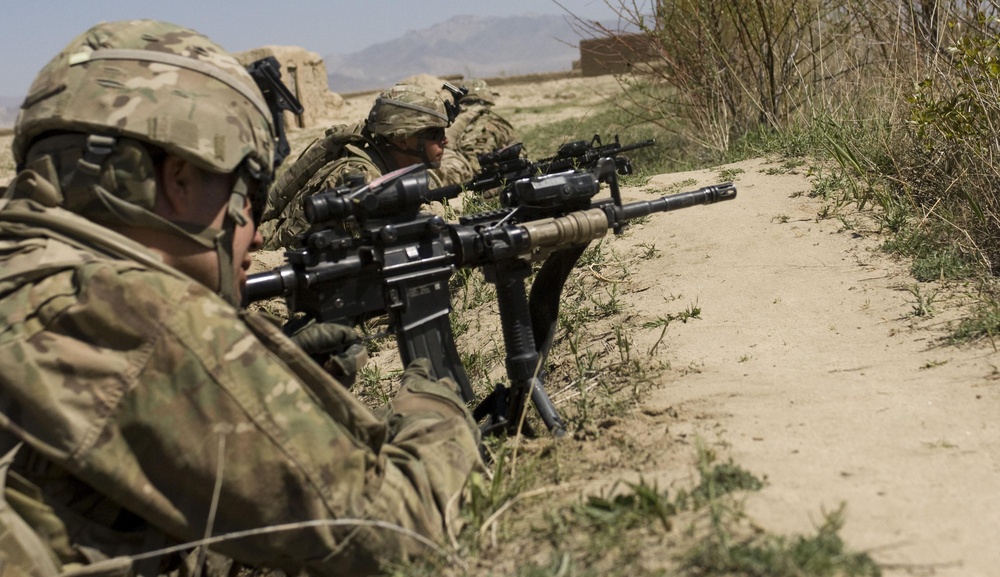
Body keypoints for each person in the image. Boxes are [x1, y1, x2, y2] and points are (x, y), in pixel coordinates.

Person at [0, 19, 482, 577]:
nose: (254, 232)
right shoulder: (125, 308)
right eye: (247, 193)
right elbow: (395, 532)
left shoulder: (29, 278)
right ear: (179, 178)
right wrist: (435, 403)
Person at [258, 83, 462, 249]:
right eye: (435, 134)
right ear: (402, 138)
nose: (444, 141)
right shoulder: (362, 178)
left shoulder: (384, 163)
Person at [431, 78, 520, 188]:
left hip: (439, 164)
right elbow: (519, 155)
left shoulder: (451, 116)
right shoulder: (494, 122)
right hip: (465, 172)